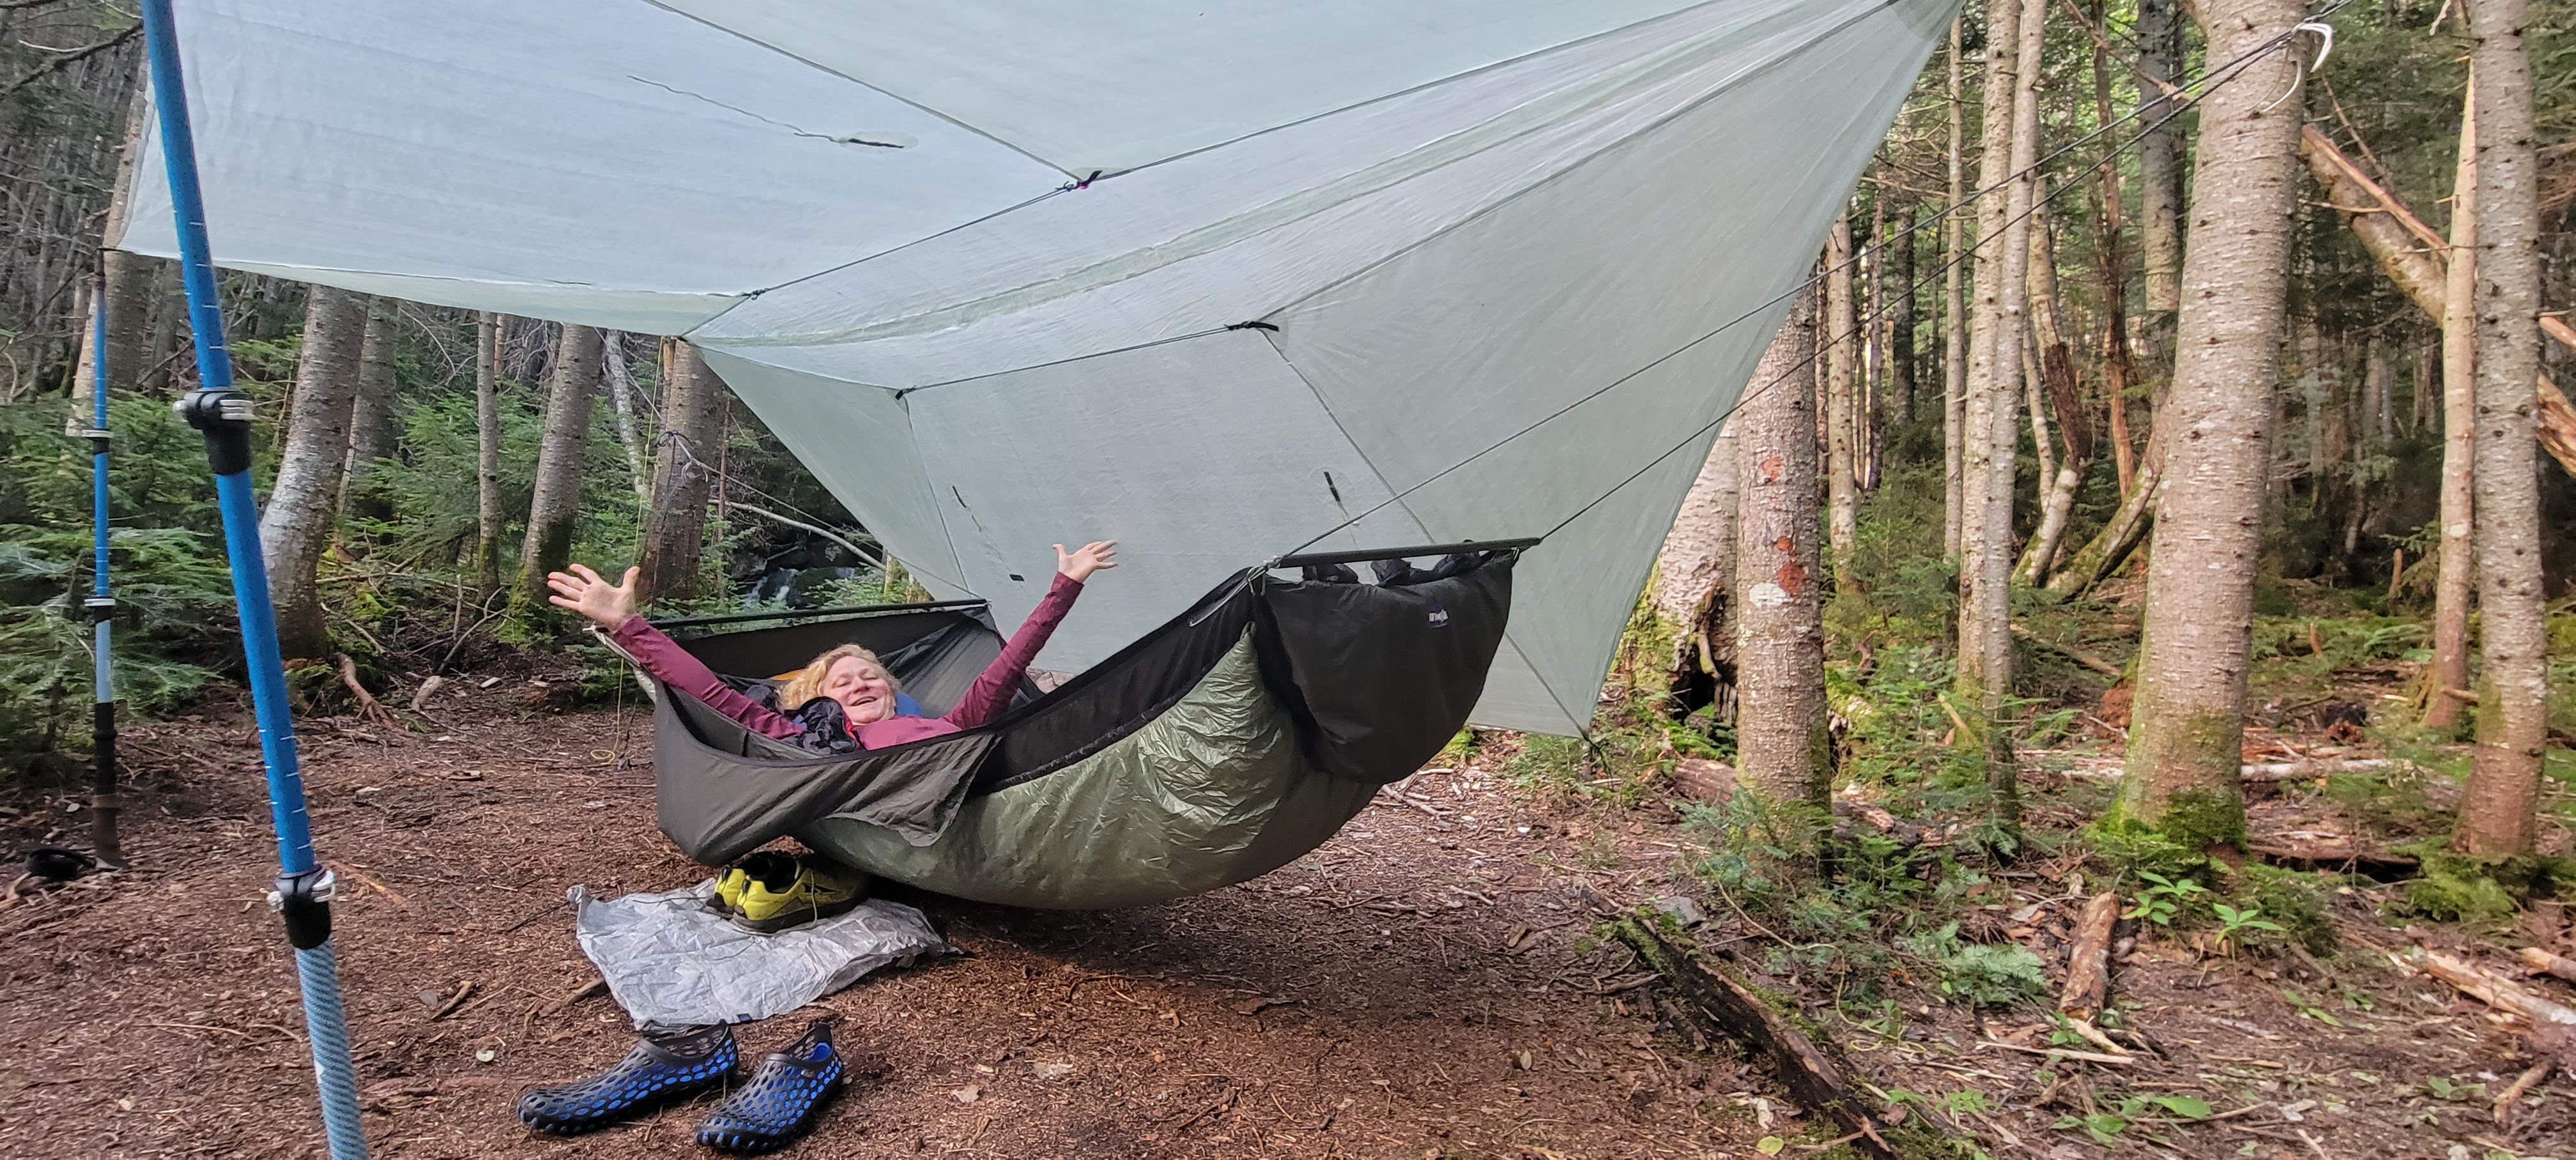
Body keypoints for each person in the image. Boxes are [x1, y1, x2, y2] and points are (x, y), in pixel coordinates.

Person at [548, 541, 1116, 754]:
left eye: (869, 677)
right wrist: (628, 626)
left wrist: (1065, 586)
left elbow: (1008, 665)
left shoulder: (953, 725)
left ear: (892, 693)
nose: (860, 683)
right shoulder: (805, 741)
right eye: (841, 683)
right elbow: (713, 694)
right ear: (820, 703)